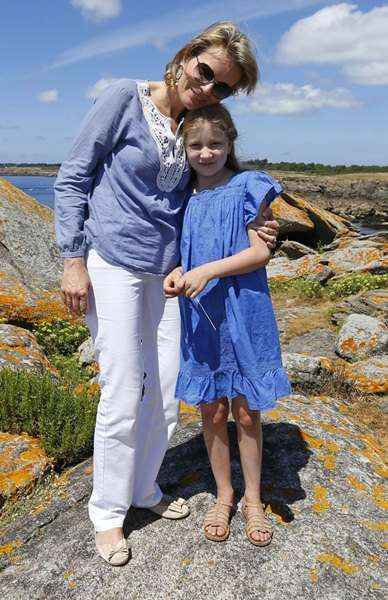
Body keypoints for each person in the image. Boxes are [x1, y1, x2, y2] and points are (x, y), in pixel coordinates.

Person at [54, 21, 280, 566]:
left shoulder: (194, 127)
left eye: (222, 88)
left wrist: (261, 225)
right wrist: (72, 260)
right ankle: (108, 514)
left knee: (170, 387)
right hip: (114, 266)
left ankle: (144, 490)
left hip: (170, 276)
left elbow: (209, 188)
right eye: (206, 73)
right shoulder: (124, 99)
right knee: (123, 388)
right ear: (185, 56)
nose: (208, 89)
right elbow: (73, 175)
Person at [164, 104, 291, 547]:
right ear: (185, 148)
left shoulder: (247, 187)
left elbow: (259, 253)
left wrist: (208, 271)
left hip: (245, 309)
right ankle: (224, 494)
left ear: (230, 144)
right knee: (213, 410)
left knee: (246, 411)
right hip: (201, 315)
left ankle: (253, 500)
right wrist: (179, 272)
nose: (205, 153)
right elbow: (186, 252)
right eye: (195, 145)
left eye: (215, 143)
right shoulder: (184, 199)